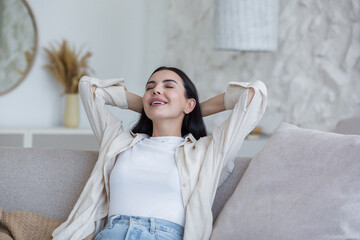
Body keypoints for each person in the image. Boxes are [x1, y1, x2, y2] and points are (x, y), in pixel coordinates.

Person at [52, 66, 267, 240]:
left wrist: (194, 110)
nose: (156, 90)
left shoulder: (205, 152)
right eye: (150, 87)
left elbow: (253, 95)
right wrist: (152, 106)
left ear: (189, 104)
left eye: (168, 86)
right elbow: (89, 88)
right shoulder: (119, 142)